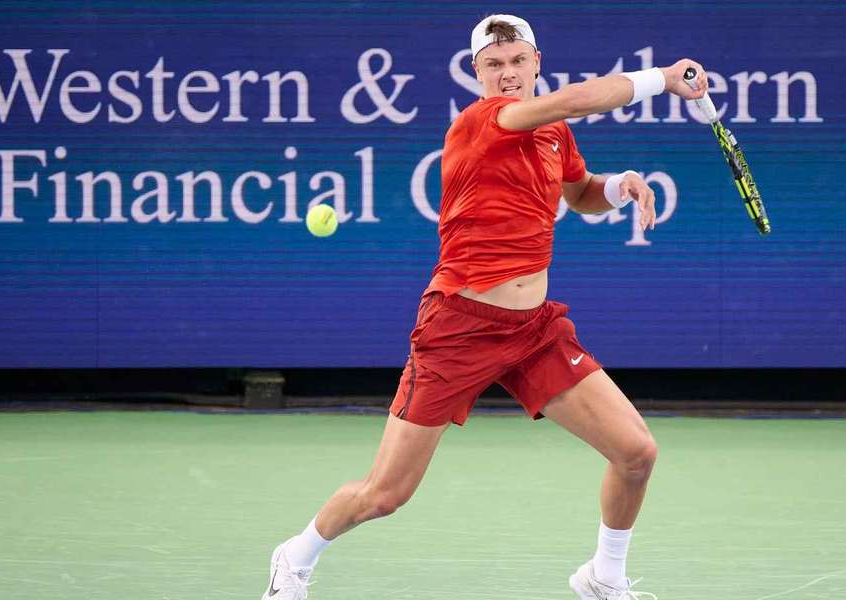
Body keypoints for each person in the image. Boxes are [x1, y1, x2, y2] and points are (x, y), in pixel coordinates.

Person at [262, 14, 708, 600]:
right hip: (459, 327)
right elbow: (576, 99)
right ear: (477, 73)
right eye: (493, 65)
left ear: (535, 62)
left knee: (636, 453)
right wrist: (662, 78)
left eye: (517, 62)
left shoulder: (552, 134)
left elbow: (579, 194)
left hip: (535, 330)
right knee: (386, 494)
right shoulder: (483, 120)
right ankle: (295, 556)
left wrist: (620, 185)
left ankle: (604, 577)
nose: (507, 74)